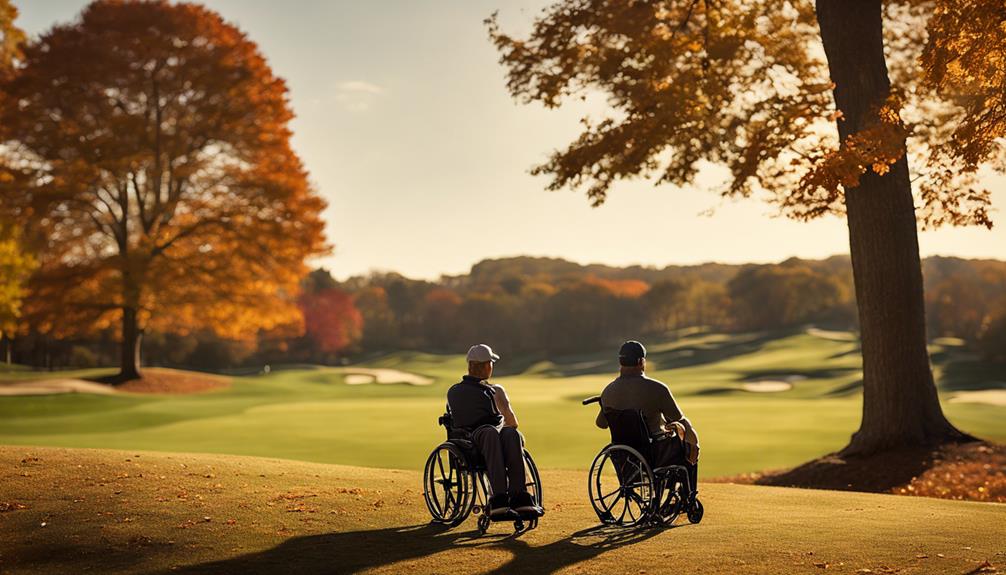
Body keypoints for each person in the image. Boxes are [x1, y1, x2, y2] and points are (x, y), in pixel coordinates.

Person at [595, 340, 700, 502]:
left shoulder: (608, 391)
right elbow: (678, 419)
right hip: (655, 453)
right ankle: (688, 499)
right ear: (640, 361)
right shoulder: (657, 389)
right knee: (688, 446)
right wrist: (693, 439)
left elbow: (601, 424)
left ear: (620, 362)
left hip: (625, 456)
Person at [446, 344, 542, 519]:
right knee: (496, 432)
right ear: (486, 366)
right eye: (490, 363)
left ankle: (519, 497)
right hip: (477, 439)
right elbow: (512, 422)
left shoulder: (454, 391)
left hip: (474, 438)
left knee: (511, 435)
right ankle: (499, 498)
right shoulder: (494, 390)